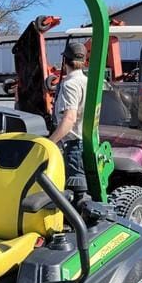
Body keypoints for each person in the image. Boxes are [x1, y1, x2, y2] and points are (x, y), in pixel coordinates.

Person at [49, 41, 89, 198]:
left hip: (74, 147)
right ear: (84, 61)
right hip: (86, 143)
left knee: (77, 196)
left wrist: (50, 141)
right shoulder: (87, 82)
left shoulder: (70, 84)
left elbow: (69, 118)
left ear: (64, 61)